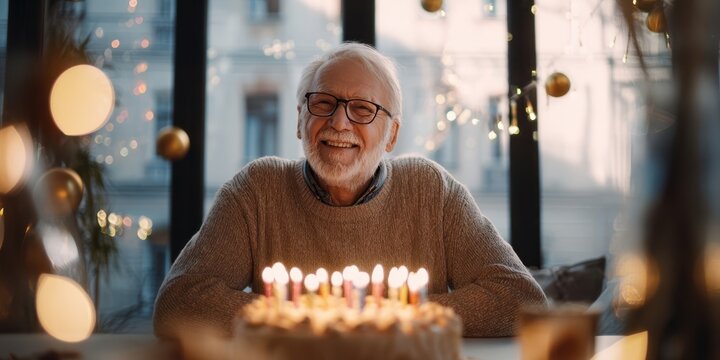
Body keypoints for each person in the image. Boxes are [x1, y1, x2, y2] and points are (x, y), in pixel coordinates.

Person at [153, 42, 547, 339]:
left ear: (391, 134)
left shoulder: (432, 191)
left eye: (362, 109)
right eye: (323, 103)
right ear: (299, 120)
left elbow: (521, 300)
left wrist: (377, 317)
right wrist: (320, 317)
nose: (339, 122)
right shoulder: (257, 191)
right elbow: (179, 304)